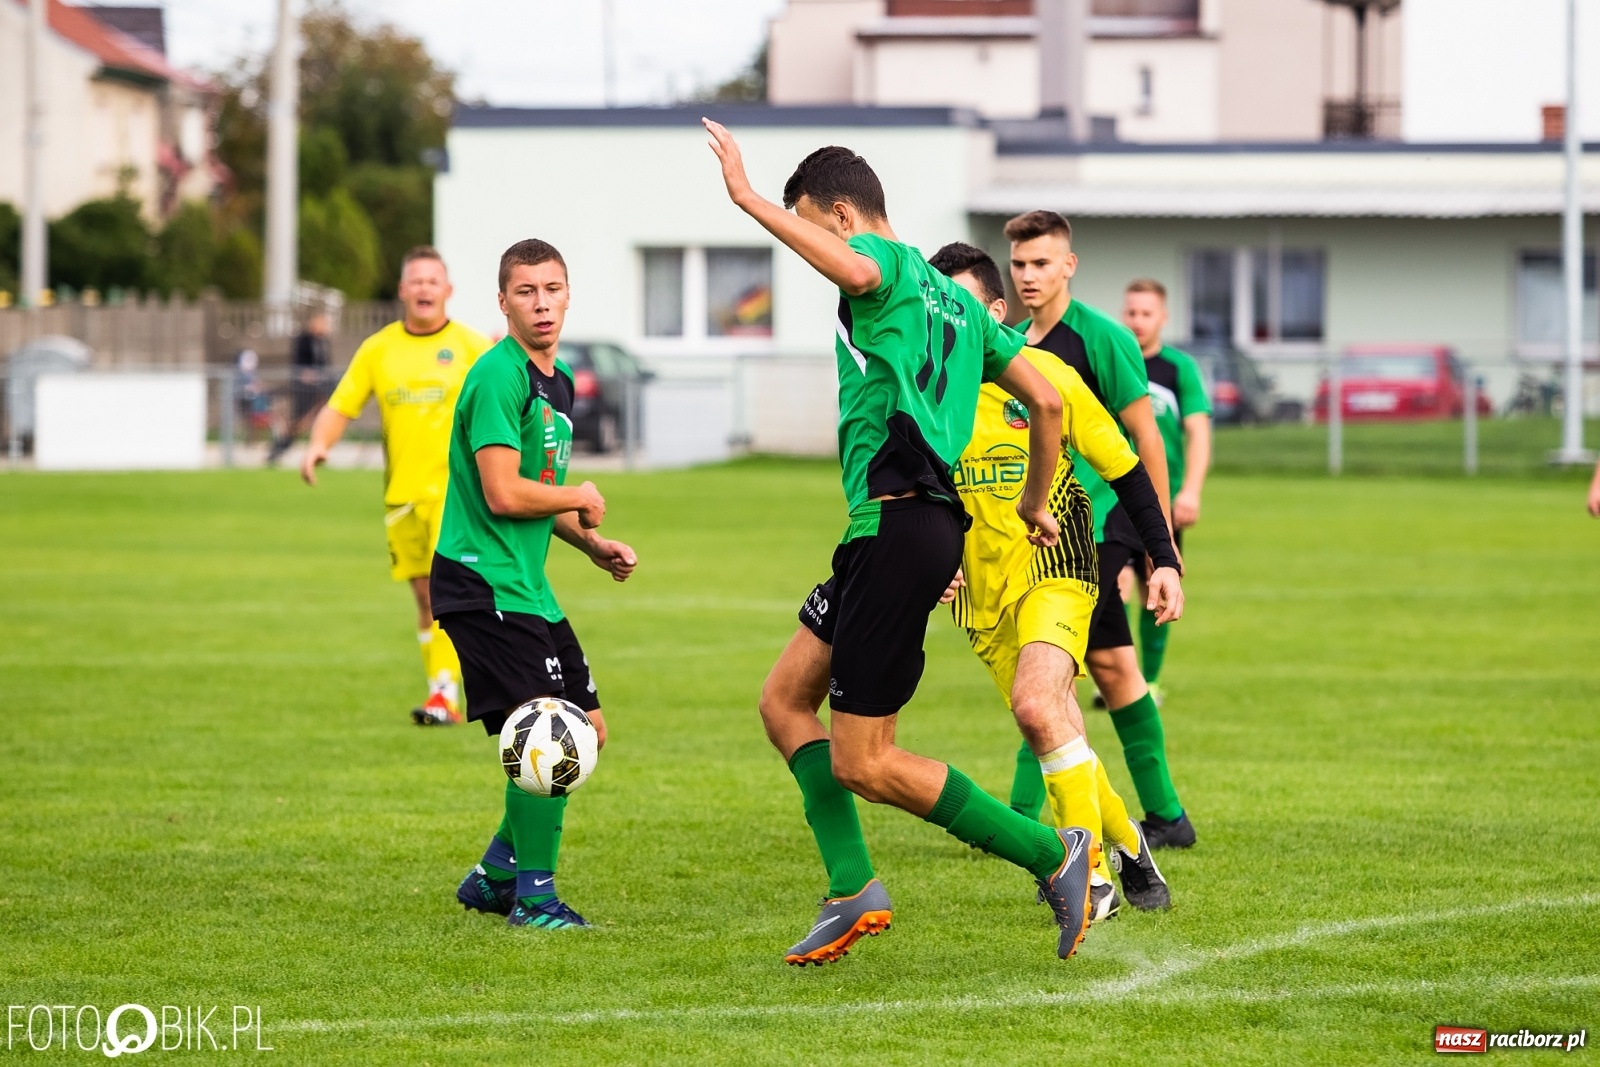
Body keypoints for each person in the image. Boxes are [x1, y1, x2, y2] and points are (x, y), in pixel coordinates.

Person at [705, 119, 1106, 967]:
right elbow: (1049, 404)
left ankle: (1053, 854)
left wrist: (745, 198)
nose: (816, 242)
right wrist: (1038, 501)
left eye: (812, 224)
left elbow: (856, 267)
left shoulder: (884, 265)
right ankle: (852, 887)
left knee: (865, 759)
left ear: (842, 215)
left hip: (899, 524)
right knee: (784, 703)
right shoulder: (962, 301)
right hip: (892, 531)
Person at [930, 242, 1178, 922]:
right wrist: (934, 562)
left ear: (995, 310)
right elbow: (921, 496)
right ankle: (1128, 840)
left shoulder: (1047, 376)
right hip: (984, 597)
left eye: (960, 305)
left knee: (1040, 707)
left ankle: (1089, 875)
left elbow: (1124, 469)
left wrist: (1165, 560)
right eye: (938, 306)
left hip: (1061, 562)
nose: (948, 320)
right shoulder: (925, 394)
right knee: (1055, 726)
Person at [432, 238, 638, 929]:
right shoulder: (499, 377)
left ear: (568, 295)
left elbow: (537, 494)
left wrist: (591, 542)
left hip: (525, 583)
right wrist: (577, 493)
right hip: (481, 581)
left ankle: (495, 874)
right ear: (503, 302)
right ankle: (535, 898)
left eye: (552, 288)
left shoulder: (558, 382)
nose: (542, 302)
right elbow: (499, 492)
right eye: (526, 291)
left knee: (590, 728)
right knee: (550, 731)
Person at [1005, 209, 1195, 850]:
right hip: (1037, 531)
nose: (1028, 276)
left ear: (1068, 265)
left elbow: (1146, 441)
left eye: (1040, 263)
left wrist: (1156, 543)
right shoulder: (1012, 342)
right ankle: (1167, 817)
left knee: (1055, 669)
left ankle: (1023, 818)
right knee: (1104, 665)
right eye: (1020, 264)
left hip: (1099, 526)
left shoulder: (1101, 338)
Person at [300, 247, 492, 726]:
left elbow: (509, 402)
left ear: (448, 291)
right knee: (426, 600)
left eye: (433, 280)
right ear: (403, 291)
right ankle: (444, 690)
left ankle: (448, 694)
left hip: (458, 499)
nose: (425, 287)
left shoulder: (473, 347)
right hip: (402, 498)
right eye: (416, 280)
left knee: (454, 599)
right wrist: (317, 445)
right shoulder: (379, 348)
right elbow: (341, 404)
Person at [1122, 278, 1212, 702]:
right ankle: (1115, 675)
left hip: (1161, 496)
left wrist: (1189, 491)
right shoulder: (1116, 359)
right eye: (1131, 312)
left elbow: (1199, 431)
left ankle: (1149, 681)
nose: (1137, 321)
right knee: (1112, 583)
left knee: (1152, 584)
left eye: (1146, 313)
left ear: (1163, 317)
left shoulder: (1178, 369)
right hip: (1110, 494)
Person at [269, 308, 333, 464]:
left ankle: (318, 453)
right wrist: (307, 374)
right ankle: (280, 448)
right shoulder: (304, 340)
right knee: (299, 422)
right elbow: (299, 364)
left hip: (320, 387)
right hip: (305, 388)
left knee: (321, 418)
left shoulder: (323, 342)